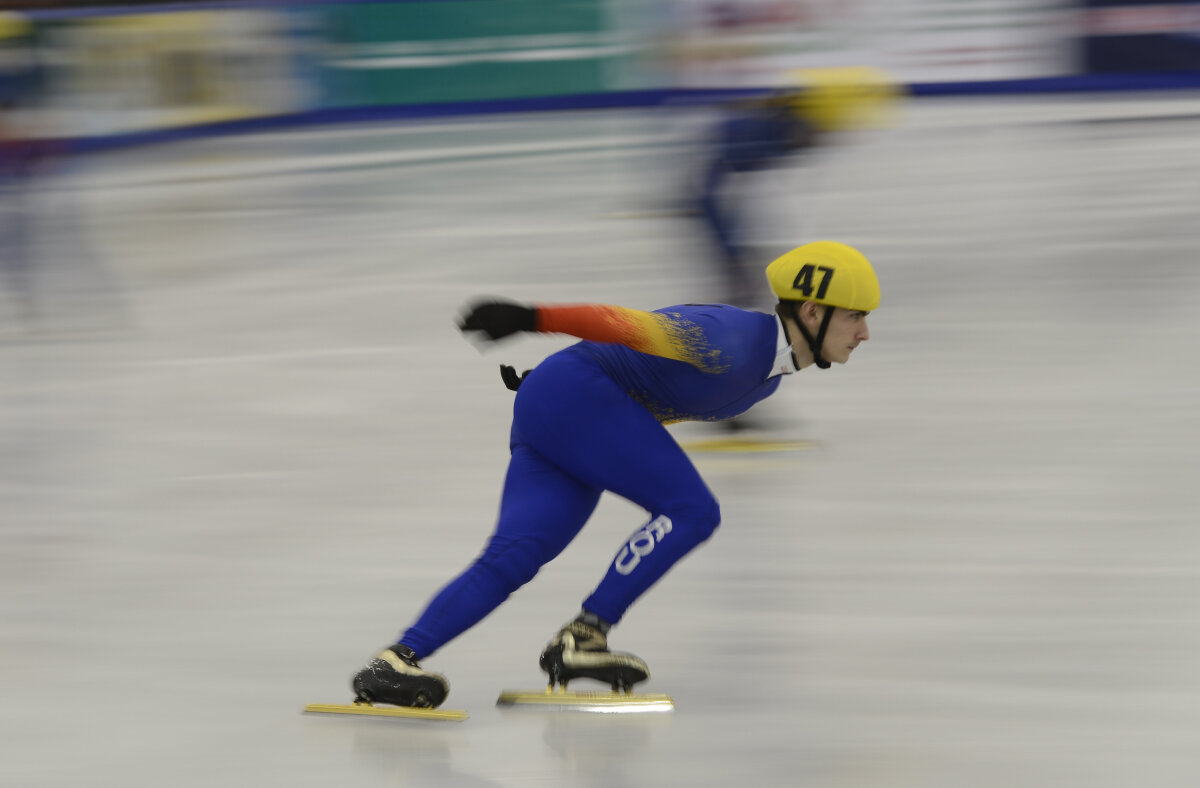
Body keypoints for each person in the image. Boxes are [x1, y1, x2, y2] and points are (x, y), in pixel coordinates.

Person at [351, 240, 880, 708]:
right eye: (856, 316)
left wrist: (557, 382)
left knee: (517, 552)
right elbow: (625, 324)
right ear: (813, 311)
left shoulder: (766, 378)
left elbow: (648, 382)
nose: (865, 332)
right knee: (693, 511)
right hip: (575, 397)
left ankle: (395, 661)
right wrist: (530, 317)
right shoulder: (733, 339)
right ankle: (585, 635)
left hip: (566, 400)